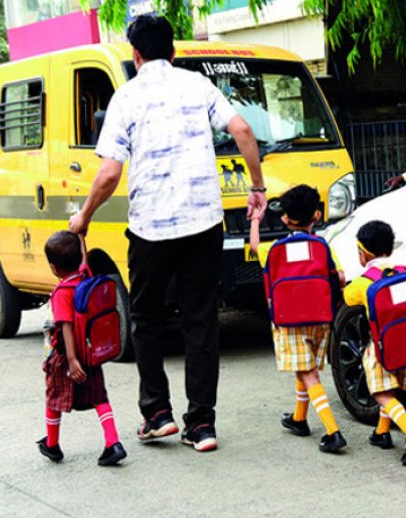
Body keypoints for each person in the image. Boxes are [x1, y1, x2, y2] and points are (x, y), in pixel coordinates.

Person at [68, 15, 267, 453]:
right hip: (203, 224)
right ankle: (202, 425)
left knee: (147, 319)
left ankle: (157, 415)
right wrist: (256, 186)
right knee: (200, 320)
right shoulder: (197, 85)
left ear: (135, 55)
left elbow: (109, 172)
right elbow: (243, 130)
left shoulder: (126, 97)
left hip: (151, 228)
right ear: (173, 52)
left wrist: (84, 215)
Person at [249, 184, 347, 453]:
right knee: (304, 367)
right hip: (320, 318)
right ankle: (299, 418)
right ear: (316, 215)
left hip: (289, 320)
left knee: (307, 371)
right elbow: (339, 276)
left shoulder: (275, 249)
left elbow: (255, 248)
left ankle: (332, 431)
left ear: (284, 218)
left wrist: (256, 221)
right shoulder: (322, 246)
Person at [342, 220, 406, 464]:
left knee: (381, 392)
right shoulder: (405, 273)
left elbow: (348, 300)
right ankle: (382, 432)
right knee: (393, 389)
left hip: (381, 346)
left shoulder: (364, 282)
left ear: (363, 254)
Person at [39, 231, 126, 466]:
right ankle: (113, 442)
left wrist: (71, 358)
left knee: (54, 397)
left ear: (53, 268)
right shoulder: (85, 277)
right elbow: (84, 258)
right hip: (91, 352)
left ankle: (52, 444)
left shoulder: (62, 293)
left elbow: (65, 325)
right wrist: (81, 236)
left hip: (67, 356)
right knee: (99, 397)